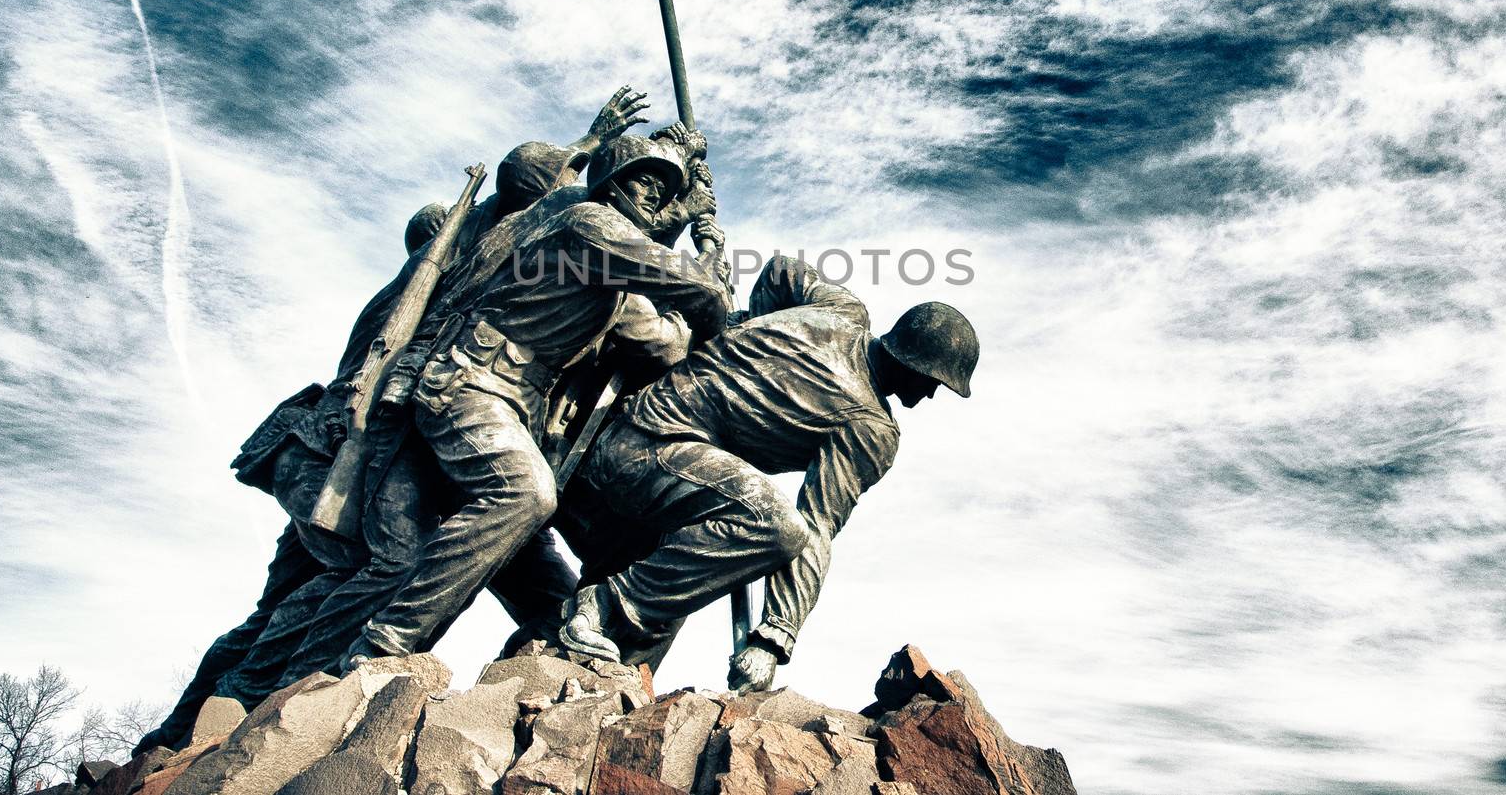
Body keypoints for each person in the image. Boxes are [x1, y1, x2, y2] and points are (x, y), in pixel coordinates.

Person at [132, 89, 650, 752]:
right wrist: (588, 148)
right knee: (378, 567)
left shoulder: (458, 278)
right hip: (331, 448)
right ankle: (270, 707)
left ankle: (204, 723)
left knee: (308, 597)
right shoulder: (437, 274)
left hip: (354, 447)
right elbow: (522, 199)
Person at [337, 132, 732, 668]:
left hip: (519, 405)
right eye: (644, 180)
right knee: (524, 494)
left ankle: (541, 667)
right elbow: (699, 293)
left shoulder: (610, 267)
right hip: (471, 381)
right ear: (611, 182)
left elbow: (661, 341)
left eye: (664, 191)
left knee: (548, 586)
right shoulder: (589, 224)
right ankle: (385, 644)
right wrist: (708, 259)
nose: (653, 197)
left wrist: (705, 267)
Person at [556, 256, 978, 694]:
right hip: (646, 453)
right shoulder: (871, 428)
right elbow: (813, 526)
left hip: (641, 452)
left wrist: (747, 327)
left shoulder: (842, 308)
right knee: (774, 525)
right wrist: (774, 637)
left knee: (673, 596)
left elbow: (780, 271)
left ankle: (593, 685)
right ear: (914, 364)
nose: (930, 394)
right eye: (934, 381)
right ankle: (602, 606)